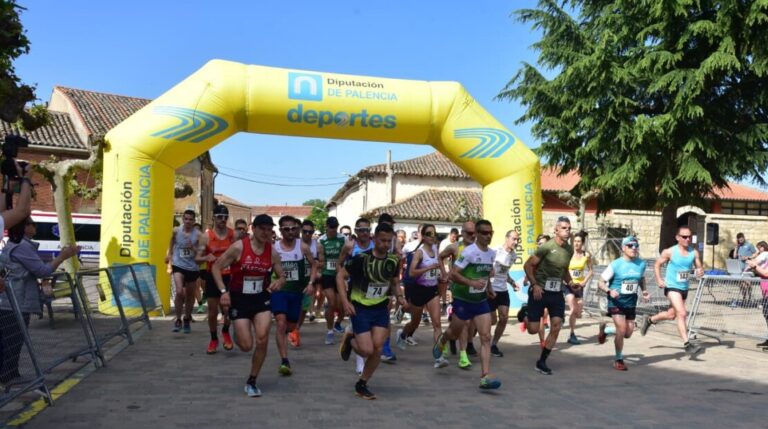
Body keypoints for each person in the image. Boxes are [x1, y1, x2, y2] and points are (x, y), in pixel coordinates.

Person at [214, 214, 286, 397]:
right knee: (247, 345)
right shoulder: (239, 247)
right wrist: (224, 292)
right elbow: (216, 267)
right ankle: (237, 335)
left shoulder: (272, 252)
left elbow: (282, 275)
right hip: (239, 299)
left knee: (262, 339)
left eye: (269, 229)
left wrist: (279, 282)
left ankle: (252, 380)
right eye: (262, 228)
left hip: (261, 298)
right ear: (253, 229)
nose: (266, 233)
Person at [0, 217, 79, 384]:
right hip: (17, 301)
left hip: (11, 301)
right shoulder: (21, 247)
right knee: (13, 341)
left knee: (9, 341)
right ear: (22, 227)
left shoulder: (17, 245)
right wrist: (63, 256)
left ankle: (10, 376)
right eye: (30, 223)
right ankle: (9, 377)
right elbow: (42, 270)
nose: (34, 226)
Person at [337, 222, 405, 399]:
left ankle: (362, 383)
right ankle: (350, 340)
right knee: (367, 350)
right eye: (382, 240)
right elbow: (340, 276)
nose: (385, 244)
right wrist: (345, 302)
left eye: (388, 241)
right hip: (361, 308)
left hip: (381, 308)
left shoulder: (393, 260)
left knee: (378, 349)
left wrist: (400, 297)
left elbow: (394, 282)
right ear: (374, 239)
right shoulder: (362, 259)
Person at [432, 219, 501, 390]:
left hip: (480, 301)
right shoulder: (468, 252)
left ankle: (485, 377)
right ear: (477, 234)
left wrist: (489, 288)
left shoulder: (491, 253)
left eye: (490, 232)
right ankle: (443, 340)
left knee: (485, 337)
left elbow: (484, 275)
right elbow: (454, 274)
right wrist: (471, 283)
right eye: (484, 233)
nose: (488, 236)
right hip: (463, 300)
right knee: (454, 333)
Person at [520, 216, 574, 375]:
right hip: (540, 291)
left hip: (556, 292)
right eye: (564, 228)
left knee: (556, 325)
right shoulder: (546, 247)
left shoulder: (569, 250)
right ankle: (524, 314)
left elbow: (564, 270)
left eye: (569, 228)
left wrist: (571, 283)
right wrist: (535, 284)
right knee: (533, 329)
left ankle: (542, 361)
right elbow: (528, 265)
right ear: (556, 230)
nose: (567, 231)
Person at [641, 225, 704, 356]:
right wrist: (659, 279)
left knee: (671, 315)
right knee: (682, 313)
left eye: (689, 237)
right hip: (671, 287)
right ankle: (687, 344)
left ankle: (649, 320)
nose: (687, 239)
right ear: (677, 238)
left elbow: (699, 268)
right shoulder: (670, 252)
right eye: (684, 237)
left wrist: (700, 271)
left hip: (684, 288)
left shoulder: (694, 252)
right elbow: (657, 264)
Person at [596, 236, 650, 371]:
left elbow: (641, 278)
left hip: (631, 303)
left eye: (636, 246)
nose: (634, 248)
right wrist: (609, 291)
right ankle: (618, 359)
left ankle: (606, 330)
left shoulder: (641, 264)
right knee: (621, 329)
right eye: (631, 246)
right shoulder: (615, 264)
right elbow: (600, 282)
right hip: (616, 302)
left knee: (628, 333)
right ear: (623, 248)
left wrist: (644, 291)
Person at [396, 224, 446, 368]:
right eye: (429, 234)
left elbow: (440, 263)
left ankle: (439, 357)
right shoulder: (419, 253)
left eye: (434, 234)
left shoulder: (436, 249)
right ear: (423, 237)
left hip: (432, 291)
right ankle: (403, 334)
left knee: (437, 324)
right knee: (414, 323)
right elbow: (411, 273)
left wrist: (443, 275)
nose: (432, 236)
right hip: (418, 290)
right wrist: (428, 268)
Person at [272, 216, 316, 375]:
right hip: (280, 291)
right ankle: (285, 360)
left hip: (296, 292)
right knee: (281, 322)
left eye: (293, 228)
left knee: (290, 326)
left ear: (297, 229)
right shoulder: (274, 248)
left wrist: (311, 283)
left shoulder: (302, 246)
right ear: (280, 230)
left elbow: (314, 264)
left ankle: (284, 337)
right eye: (286, 228)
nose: (290, 231)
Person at [195, 204, 235, 354]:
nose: (222, 220)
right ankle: (213, 339)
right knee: (212, 311)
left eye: (225, 217)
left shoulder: (233, 235)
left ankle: (225, 331)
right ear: (214, 218)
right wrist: (206, 256)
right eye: (219, 217)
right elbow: (197, 259)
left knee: (228, 309)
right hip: (212, 276)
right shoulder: (206, 237)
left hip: (229, 276)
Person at [438, 221, 477, 368]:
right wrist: (445, 273)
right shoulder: (454, 247)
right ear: (462, 233)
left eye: (474, 233)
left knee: (465, 323)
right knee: (465, 322)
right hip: (458, 290)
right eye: (468, 233)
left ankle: (447, 339)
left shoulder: (478, 248)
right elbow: (440, 257)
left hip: (473, 290)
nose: (472, 236)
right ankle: (463, 356)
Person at [165, 210, 201, 334]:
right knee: (179, 291)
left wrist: (193, 248)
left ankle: (187, 319)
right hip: (178, 264)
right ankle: (178, 319)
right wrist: (169, 254)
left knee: (190, 295)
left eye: (190, 219)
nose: (188, 221)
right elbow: (171, 241)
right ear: (182, 219)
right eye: (186, 219)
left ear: (194, 221)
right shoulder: (176, 230)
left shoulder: (198, 235)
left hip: (192, 267)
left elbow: (201, 252)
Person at [489, 230, 520, 358]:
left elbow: (505, 273)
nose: (516, 242)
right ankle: (472, 332)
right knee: (492, 320)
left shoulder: (513, 256)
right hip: (490, 289)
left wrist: (512, 283)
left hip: (503, 290)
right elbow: (486, 269)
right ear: (506, 238)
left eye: (517, 240)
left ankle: (494, 344)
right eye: (514, 239)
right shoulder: (494, 251)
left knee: (504, 318)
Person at [289, 219, 320, 347]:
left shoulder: (317, 246)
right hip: (294, 281)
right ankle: (291, 327)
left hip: (309, 281)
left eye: (310, 232)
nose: (307, 234)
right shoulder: (294, 243)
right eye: (305, 231)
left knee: (304, 308)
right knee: (292, 307)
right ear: (301, 231)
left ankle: (296, 329)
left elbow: (322, 262)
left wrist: (316, 265)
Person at [317, 216, 347, 345]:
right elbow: (321, 258)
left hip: (339, 274)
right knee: (332, 301)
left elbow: (346, 254)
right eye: (331, 228)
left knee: (342, 305)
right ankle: (329, 331)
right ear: (327, 227)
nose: (333, 230)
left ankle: (337, 323)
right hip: (327, 274)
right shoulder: (322, 240)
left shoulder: (342, 238)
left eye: (335, 228)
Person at [565, 230, 593, 345]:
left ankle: (564, 315)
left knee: (578, 312)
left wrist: (584, 282)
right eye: (575, 241)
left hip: (579, 286)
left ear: (582, 243)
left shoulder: (586, 255)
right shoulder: (568, 254)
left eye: (579, 241)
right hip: (568, 285)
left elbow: (591, 271)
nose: (576, 243)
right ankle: (572, 334)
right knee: (572, 309)